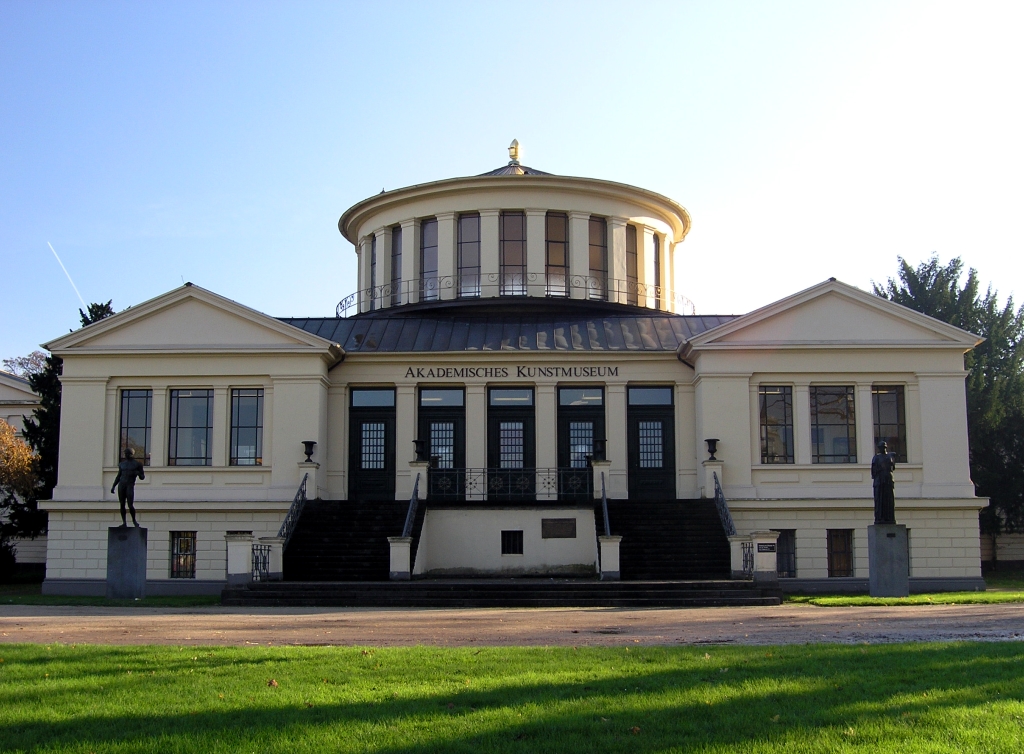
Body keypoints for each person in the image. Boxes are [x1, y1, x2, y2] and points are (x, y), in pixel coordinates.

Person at [111, 447, 145, 527]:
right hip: (122, 485)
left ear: (132, 454)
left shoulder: (137, 464)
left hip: (130, 485)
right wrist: (113, 486)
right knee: (122, 504)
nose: (126, 455)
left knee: (130, 505)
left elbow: (142, 477)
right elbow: (118, 476)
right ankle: (124, 522)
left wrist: (138, 473)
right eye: (125, 454)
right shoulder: (122, 464)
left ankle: (134, 521)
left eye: (127, 454)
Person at [870, 440, 897, 524]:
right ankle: (880, 518)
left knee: (889, 500)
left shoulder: (890, 456)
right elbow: (873, 471)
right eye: (881, 447)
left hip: (888, 480)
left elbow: (893, 468)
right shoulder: (876, 458)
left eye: (884, 447)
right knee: (879, 500)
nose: (883, 449)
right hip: (879, 481)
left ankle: (890, 518)